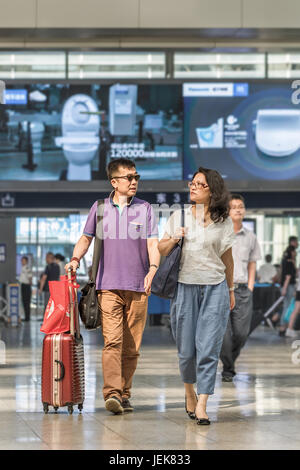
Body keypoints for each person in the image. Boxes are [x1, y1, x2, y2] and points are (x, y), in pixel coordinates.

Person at [65, 158, 160, 415]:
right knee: (112, 342)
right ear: (114, 182)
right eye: (129, 177)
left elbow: (152, 244)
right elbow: (85, 239)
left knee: (132, 348)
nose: (134, 182)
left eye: (136, 177)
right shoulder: (99, 209)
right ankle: (112, 393)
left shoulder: (146, 208)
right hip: (107, 287)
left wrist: (153, 270)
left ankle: (125, 393)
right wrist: (75, 259)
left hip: (139, 288)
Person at [158, 167, 235, 425]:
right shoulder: (178, 216)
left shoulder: (223, 222)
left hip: (215, 287)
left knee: (208, 347)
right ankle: (189, 391)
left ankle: (202, 403)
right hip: (184, 287)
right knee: (186, 350)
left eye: (199, 184)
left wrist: (231, 289)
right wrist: (174, 239)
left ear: (211, 190)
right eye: (192, 183)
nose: (193, 187)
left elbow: (227, 259)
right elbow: (161, 248)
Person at [220, 194, 261, 382]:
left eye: (241, 206)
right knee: (223, 335)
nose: (238, 209)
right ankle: (228, 369)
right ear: (227, 212)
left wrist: (251, 287)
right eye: (233, 206)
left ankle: (228, 365)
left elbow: (252, 264)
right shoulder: (220, 234)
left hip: (243, 290)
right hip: (221, 289)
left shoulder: (251, 237)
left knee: (242, 334)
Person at [278, 245, 297, 336]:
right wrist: (285, 288)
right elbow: (288, 277)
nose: (296, 253)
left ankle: (284, 327)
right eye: (295, 251)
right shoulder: (289, 263)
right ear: (292, 252)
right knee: (287, 306)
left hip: (285, 286)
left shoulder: (284, 261)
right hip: (288, 286)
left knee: (286, 306)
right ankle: (283, 326)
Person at [285, 264, 300, 337]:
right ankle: (290, 329)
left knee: (296, 310)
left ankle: (289, 329)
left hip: (298, 290)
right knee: (296, 310)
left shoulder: (298, 270)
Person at [19, 256, 32, 322]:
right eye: (21, 260)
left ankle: (27, 317)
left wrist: (29, 284)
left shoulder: (27, 268)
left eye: (23, 260)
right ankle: (26, 317)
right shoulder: (23, 268)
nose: (22, 262)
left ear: (26, 261)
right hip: (23, 286)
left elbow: (30, 277)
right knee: (24, 302)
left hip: (26, 286)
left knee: (26, 302)